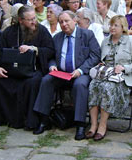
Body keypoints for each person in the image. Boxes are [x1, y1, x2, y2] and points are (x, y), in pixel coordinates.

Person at [33, 10, 101, 140]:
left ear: (74, 20)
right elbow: (51, 56)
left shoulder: (87, 35)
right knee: (46, 80)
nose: (64, 24)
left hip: (80, 72)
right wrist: (52, 65)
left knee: (80, 85)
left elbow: (95, 56)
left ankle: (80, 124)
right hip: (61, 73)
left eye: (66, 21)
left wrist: (80, 70)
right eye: (61, 22)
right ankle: (43, 120)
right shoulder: (57, 37)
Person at [0, 6, 55, 130]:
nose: (34, 22)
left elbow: (50, 50)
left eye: (34, 18)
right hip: (11, 70)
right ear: (21, 20)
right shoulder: (10, 32)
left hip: (33, 70)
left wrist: (35, 49)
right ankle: (0, 118)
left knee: (32, 83)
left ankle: (28, 120)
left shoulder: (42, 31)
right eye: (30, 20)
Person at [87, 15, 132, 140]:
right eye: (111, 25)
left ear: (123, 28)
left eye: (116, 25)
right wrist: (101, 64)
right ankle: (93, 124)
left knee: (107, 88)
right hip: (105, 75)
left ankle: (102, 125)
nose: (112, 28)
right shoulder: (105, 41)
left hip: (123, 78)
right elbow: (102, 59)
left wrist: (124, 68)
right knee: (93, 85)